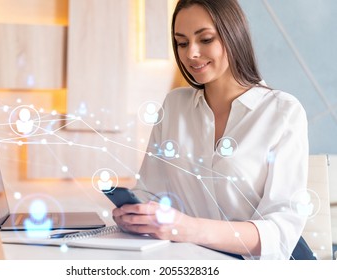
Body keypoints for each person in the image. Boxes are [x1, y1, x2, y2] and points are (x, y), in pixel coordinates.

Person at [112, 0, 313, 260]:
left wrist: (186, 228)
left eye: (205, 39)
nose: (191, 53)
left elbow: (281, 232)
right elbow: (150, 191)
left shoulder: (283, 111)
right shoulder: (174, 105)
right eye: (182, 43)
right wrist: (136, 214)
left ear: (234, 36)